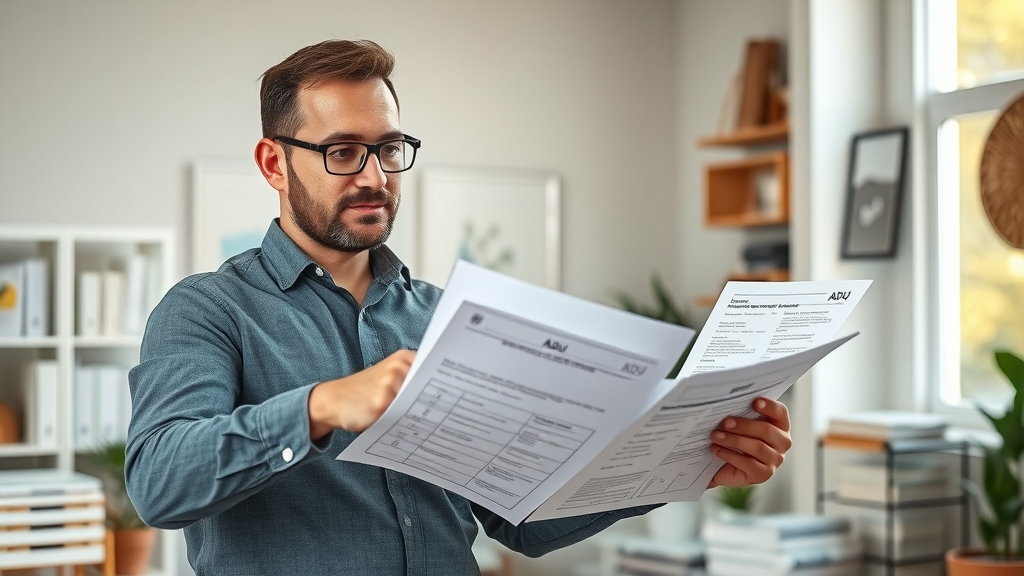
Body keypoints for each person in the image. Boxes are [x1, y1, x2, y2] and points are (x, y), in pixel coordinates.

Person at [125, 39, 793, 576]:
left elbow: (519, 521)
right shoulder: (206, 310)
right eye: (343, 152)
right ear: (274, 163)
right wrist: (320, 407)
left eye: (389, 149)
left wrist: (681, 467)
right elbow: (158, 484)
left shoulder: (447, 316)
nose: (375, 177)